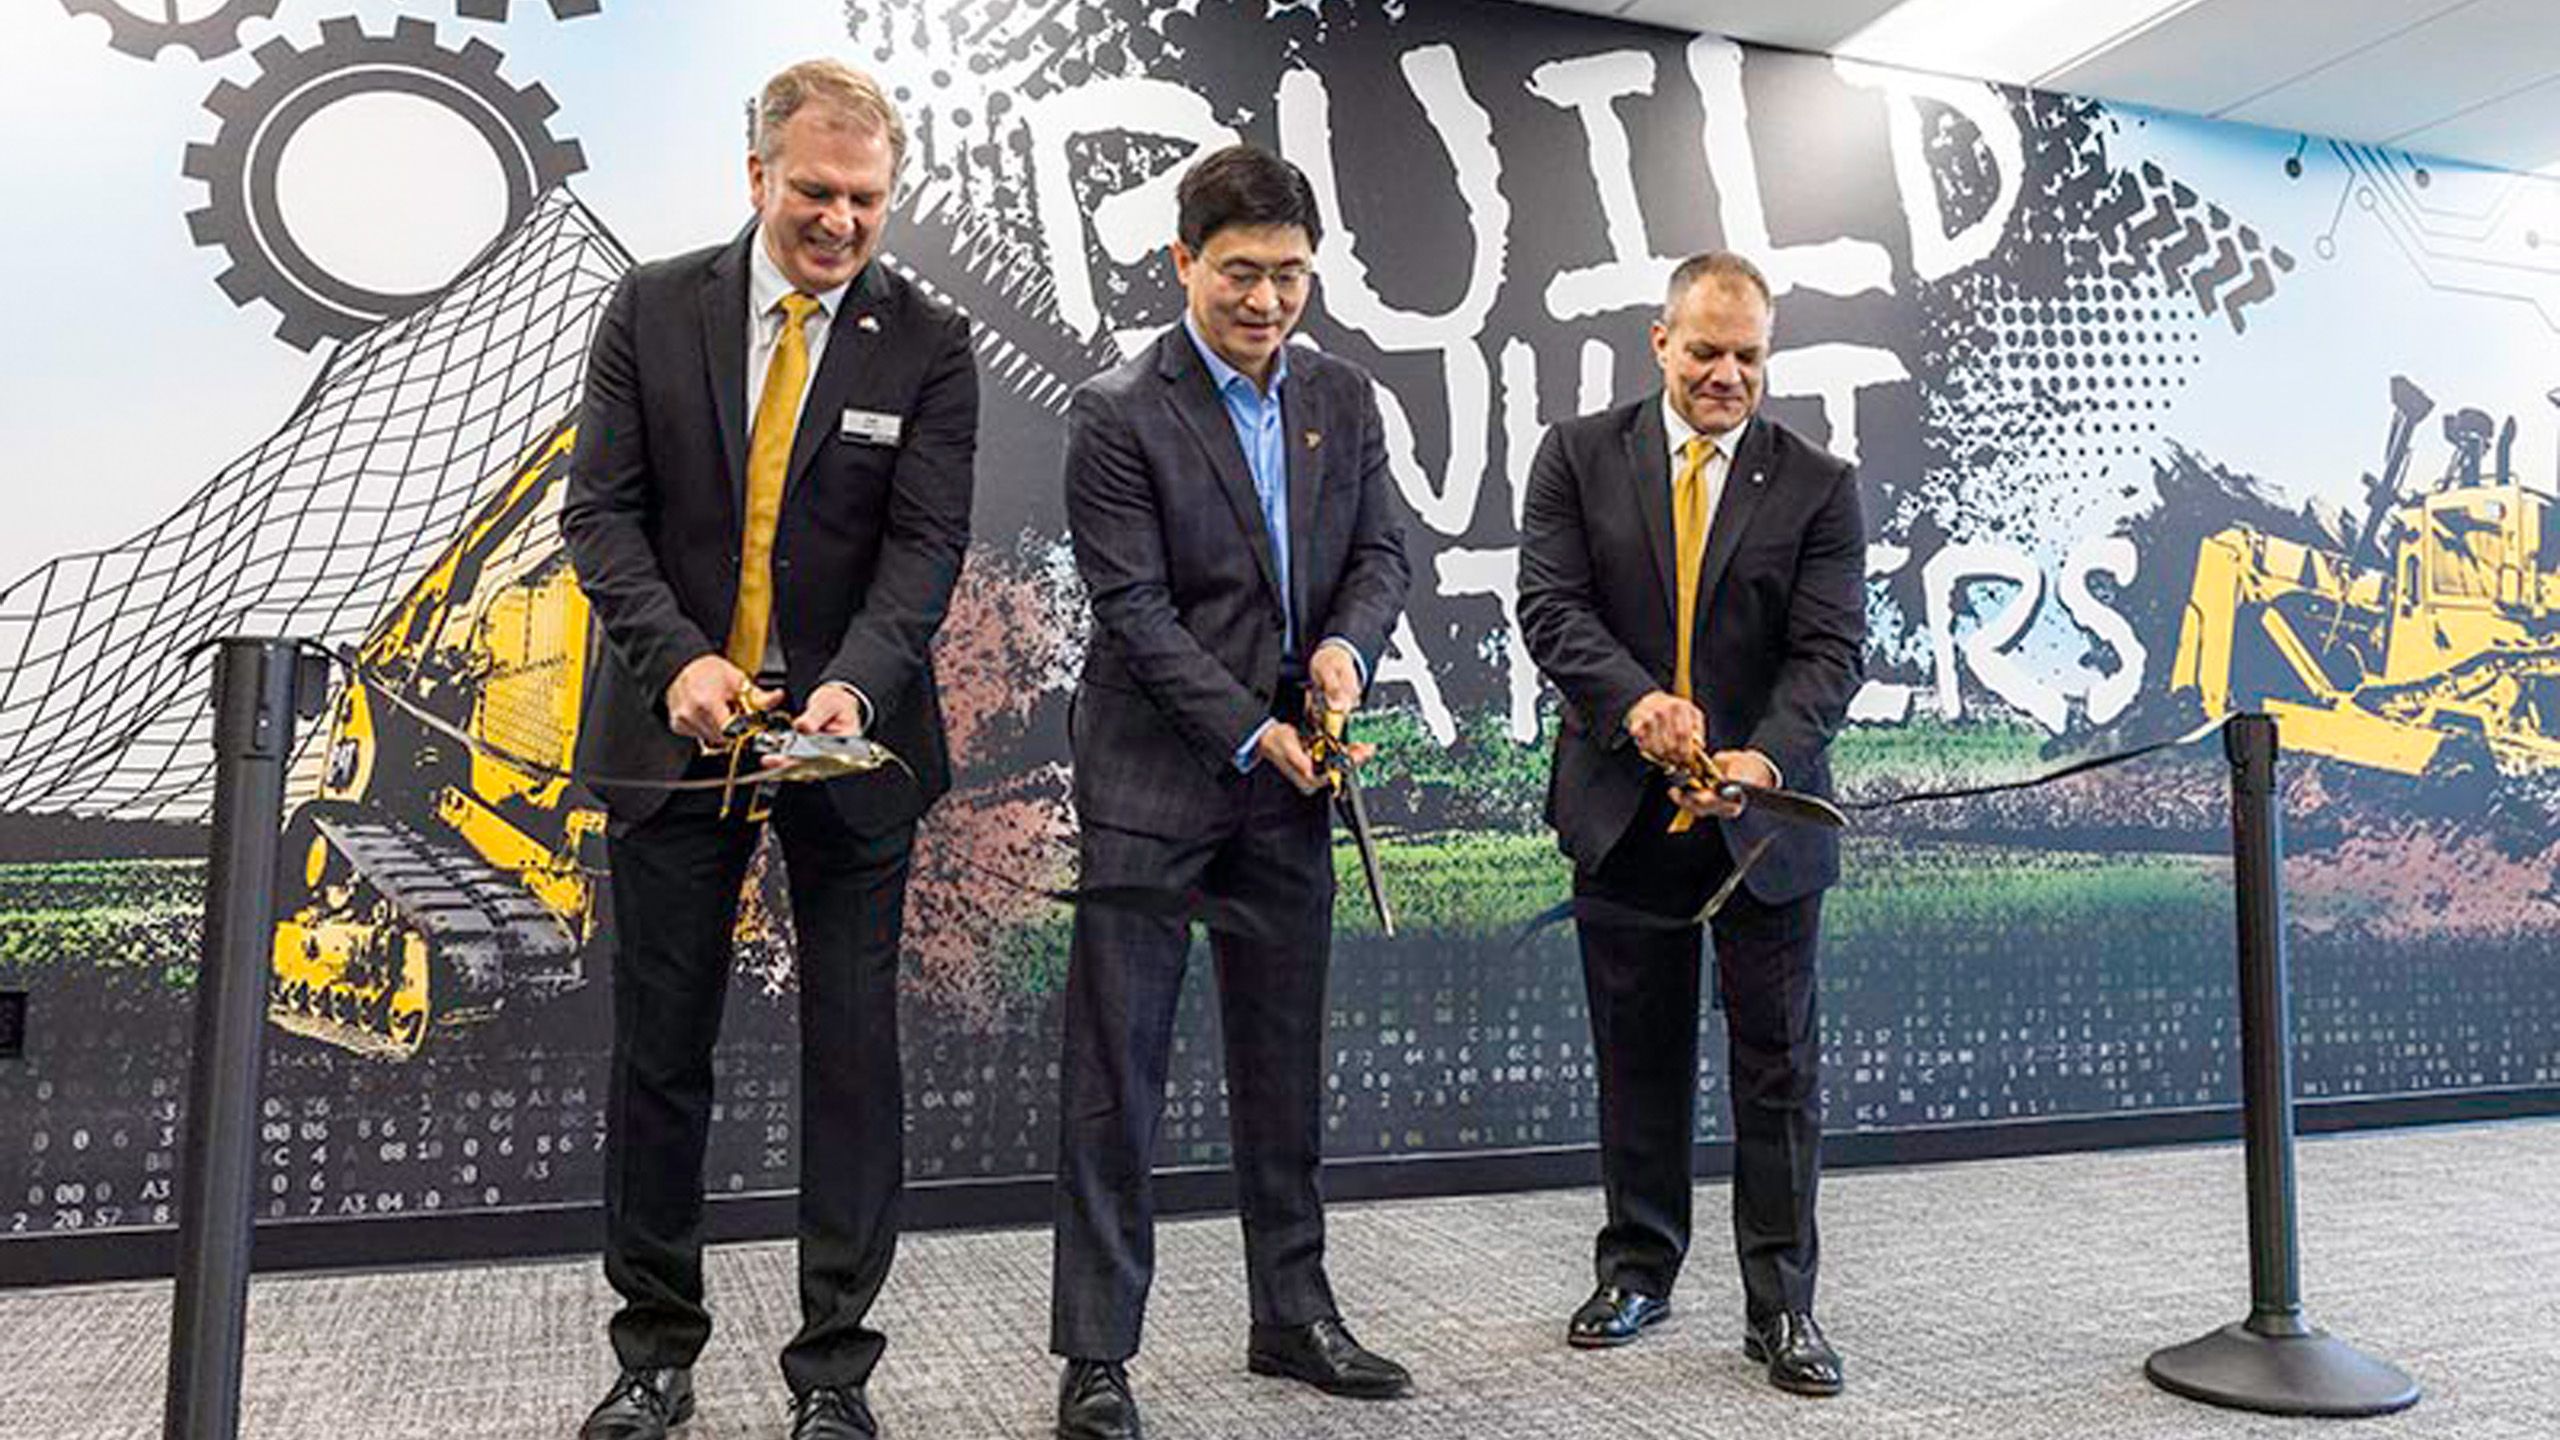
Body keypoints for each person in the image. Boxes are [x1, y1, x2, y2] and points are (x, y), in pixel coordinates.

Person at [559, 58, 976, 1440]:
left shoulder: (930, 339)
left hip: (847, 751)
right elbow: (600, 517)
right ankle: (654, 1355)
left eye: (866, 198)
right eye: (814, 191)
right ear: (756, 178)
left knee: (851, 1060)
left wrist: (855, 688)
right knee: (662, 1052)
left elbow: (924, 549)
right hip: (679, 733)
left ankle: (833, 1374)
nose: (840, 222)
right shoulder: (651, 307)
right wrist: (676, 659)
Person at [1046, 143, 1413, 1440]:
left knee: (1282, 1062)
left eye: (1292, 277)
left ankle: (1292, 1316)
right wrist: (1254, 734)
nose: (1267, 302)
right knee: (1117, 1080)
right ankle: (1097, 1356)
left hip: (1293, 789)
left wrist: (1342, 652)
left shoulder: (1341, 398)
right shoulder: (1115, 411)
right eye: (1242, 274)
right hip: (1158, 781)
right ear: (1183, 264)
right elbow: (1134, 614)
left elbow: (1381, 554)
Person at [1516, 251, 1865, 1397]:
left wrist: (1758, 765)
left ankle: (1783, 1309)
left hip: (1761, 830)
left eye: (1748, 356)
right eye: (1705, 350)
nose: (1726, 375)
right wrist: (1636, 705)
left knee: (1777, 1073)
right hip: (1623, 812)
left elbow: (1829, 653)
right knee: (1638, 1060)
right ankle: (1637, 1272)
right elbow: (1550, 610)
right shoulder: (1575, 457)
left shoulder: (1818, 482)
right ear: (1658, 342)